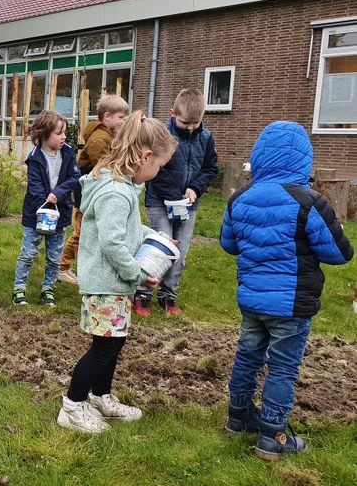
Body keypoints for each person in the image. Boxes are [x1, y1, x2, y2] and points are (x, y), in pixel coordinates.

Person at [221, 121, 353, 460]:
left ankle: (238, 418)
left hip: (252, 299)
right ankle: (273, 436)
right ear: (303, 159)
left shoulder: (240, 199)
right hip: (291, 303)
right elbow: (339, 254)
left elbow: (228, 244)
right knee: (282, 367)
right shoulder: (309, 201)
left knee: (247, 356)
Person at [58, 111, 177, 434]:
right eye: (158, 167)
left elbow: (126, 229)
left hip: (113, 284)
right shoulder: (116, 192)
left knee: (114, 342)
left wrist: (155, 239)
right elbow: (113, 244)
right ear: (145, 156)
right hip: (107, 284)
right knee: (104, 348)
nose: (156, 173)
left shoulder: (118, 184)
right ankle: (72, 406)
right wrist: (138, 273)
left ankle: (100, 397)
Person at [135, 89, 218, 316]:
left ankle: (168, 296)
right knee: (159, 248)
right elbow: (155, 169)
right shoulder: (162, 134)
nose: (190, 127)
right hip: (160, 202)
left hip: (189, 205)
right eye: (184, 123)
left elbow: (211, 168)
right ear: (173, 114)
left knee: (179, 252)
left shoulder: (206, 138)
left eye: (195, 123)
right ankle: (142, 294)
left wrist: (195, 189)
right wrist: (173, 195)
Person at [12, 110, 80, 306]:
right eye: (59, 133)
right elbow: (35, 188)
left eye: (64, 132)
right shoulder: (34, 158)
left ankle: (48, 289)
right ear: (43, 134)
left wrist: (57, 194)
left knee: (54, 256)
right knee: (28, 253)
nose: (63, 137)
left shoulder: (68, 153)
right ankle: (19, 289)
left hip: (61, 214)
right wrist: (44, 207)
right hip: (36, 215)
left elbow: (74, 178)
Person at [58, 95, 129, 284]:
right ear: (107, 116)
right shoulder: (100, 139)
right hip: (87, 191)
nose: (123, 121)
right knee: (81, 231)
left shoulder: (107, 135)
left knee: (91, 231)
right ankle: (62, 267)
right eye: (121, 117)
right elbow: (103, 167)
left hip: (95, 190)